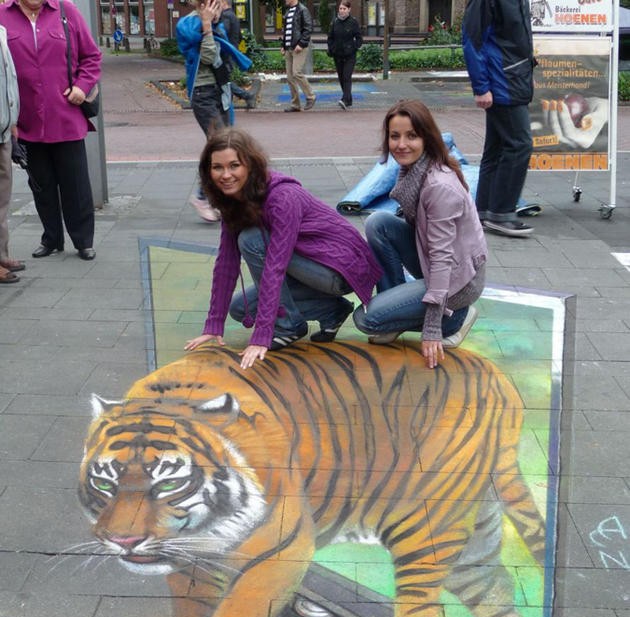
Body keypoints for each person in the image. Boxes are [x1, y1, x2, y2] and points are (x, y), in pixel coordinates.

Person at [184, 128, 381, 369]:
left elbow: (275, 268)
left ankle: (288, 325)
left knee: (251, 240)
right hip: (307, 264)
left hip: (339, 269)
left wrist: (263, 335)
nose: (226, 175)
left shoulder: (282, 197)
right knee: (242, 309)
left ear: (250, 165)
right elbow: (226, 262)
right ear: (208, 170)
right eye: (218, 168)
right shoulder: (232, 200)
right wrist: (213, 325)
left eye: (234, 165)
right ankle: (332, 311)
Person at [353, 100, 487, 370]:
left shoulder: (439, 187)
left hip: (458, 281)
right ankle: (395, 311)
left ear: (426, 137)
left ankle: (455, 319)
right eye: (395, 136)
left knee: (366, 319)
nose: (401, 144)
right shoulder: (414, 170)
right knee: (378, 223)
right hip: (437, 262)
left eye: (411, 136)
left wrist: (432, 329)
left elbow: (442, 260)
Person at [0, 0, 101, 261]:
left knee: (75, 185)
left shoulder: (66, 11)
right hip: (25, 121)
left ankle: (83, 240)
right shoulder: (2, 15)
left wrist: (82, 85)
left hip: (65, 115)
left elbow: (91, 56)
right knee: (41, 185)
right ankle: (51, 237)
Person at [462, 0, 535, 238]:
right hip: (502, 81)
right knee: (519, 144)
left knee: (497, 148)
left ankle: (484, 211)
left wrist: (528, 71)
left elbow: (515, 38)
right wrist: (481, 87)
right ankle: (501, 213)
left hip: (512, 77)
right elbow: (472, 40)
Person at [177, 0, 231, 223]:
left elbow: (224, 57)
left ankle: (217, 198)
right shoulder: (187, 25)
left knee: (228, 144)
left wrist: (213, 26)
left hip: (218, 91)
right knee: (219, 145)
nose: (222, 9)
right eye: (216, 5)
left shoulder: (217, 25)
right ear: (204, 6)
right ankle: (203, 197)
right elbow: (208, 56)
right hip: (202, 93)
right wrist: (207, 27)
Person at [0, 22, 23, 284]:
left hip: (4, 130)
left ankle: (1, 254)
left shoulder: (1, 30)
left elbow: (8, 80)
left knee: (2, 199)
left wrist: (12, 120)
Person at [220, 0, 259, 110]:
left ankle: (246, 95)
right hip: (234, 50)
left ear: (224, 3)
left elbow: (223, 32)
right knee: (226, 78)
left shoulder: (226, 16)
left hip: (227, 52)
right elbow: (240, 36)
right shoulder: (234, 16)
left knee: (223, 79)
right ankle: (228, 104)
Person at [281, 0, 316, 113]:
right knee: (290, 77)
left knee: (296, 72)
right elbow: (286, 31)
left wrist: (301, 43)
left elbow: (308, 28)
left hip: (299, 47)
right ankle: (295, 104)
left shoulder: (303, 10)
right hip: (289, 48)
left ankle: (311, 96)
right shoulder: (288, 11)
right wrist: (283, 45)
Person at [327, 0, 362, 111]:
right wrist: (332, 48)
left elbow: (359, 37)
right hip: (338, 55)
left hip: (350, 55)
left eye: (344, 9)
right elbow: (330, 37)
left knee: (347, 77)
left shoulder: (353, 22)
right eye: (340, 8)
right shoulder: (335, 22)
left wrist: (355, 47)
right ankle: (349, 99)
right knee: (341, 78)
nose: (342, 11)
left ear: (349, 10)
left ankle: (345, 100)